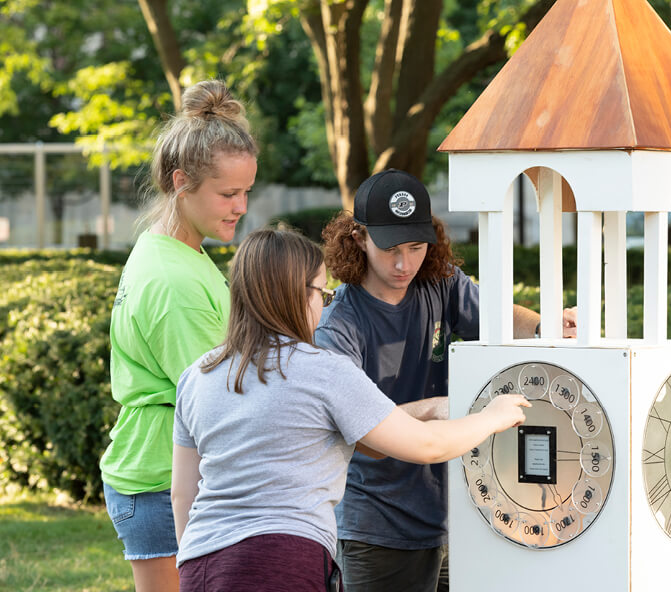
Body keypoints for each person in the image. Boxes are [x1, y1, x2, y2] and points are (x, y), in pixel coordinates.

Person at [170, 226, 529, 592]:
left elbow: (183, 493)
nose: (325, 306)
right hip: (285, 557)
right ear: (298, 294)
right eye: (322, 294)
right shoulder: (323, 370)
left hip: (201, 559)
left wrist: (193, 558)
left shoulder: (198, 375)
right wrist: (492, 417)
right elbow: (427, 446)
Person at [315, 168, 577, 592]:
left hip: (458, 516)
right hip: (377, 529)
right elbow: (361, 437)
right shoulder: (337, 327)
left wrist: (550, 325)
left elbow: (496, 318)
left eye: (417, 247)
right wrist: (434, 410)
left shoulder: (440, 283)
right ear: (358, 238)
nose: (404, 264)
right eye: (391, 249)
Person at [99, 79, 258, 591]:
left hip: (163, 473)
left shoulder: (172, 248)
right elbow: (218, 400)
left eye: (246, 192)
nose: (241, 207)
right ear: (181, 181)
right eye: (228, 194)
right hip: (161, 482)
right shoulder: (173, 281)